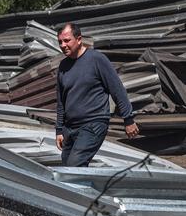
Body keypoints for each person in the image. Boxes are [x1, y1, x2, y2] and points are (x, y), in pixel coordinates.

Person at [55, 23, 139, 166]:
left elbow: (117, 89)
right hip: (70, 128)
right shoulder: (63, 66)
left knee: (74, 166)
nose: (63, 45)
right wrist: (59, 130)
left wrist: (128, 119)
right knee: (66, 168)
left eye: (67, 40)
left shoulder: (96, 60)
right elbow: (61, 101)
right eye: (60, 42)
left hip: (93, 124)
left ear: (79, 39)